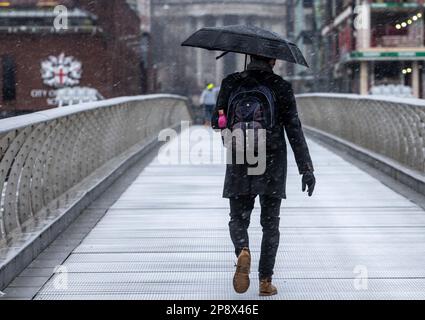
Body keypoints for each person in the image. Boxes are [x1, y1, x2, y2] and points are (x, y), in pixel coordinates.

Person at [211, 55, 316, 296]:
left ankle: (243, 250)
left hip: (239, 157)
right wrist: (306, 168)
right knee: (270, 225)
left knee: (238, 217)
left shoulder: (231, 83)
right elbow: (293, 128)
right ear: (273, 60)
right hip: (271, 159)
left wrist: (225, 118)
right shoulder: (281, 86)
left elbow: (217, 123)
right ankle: (265, 281)